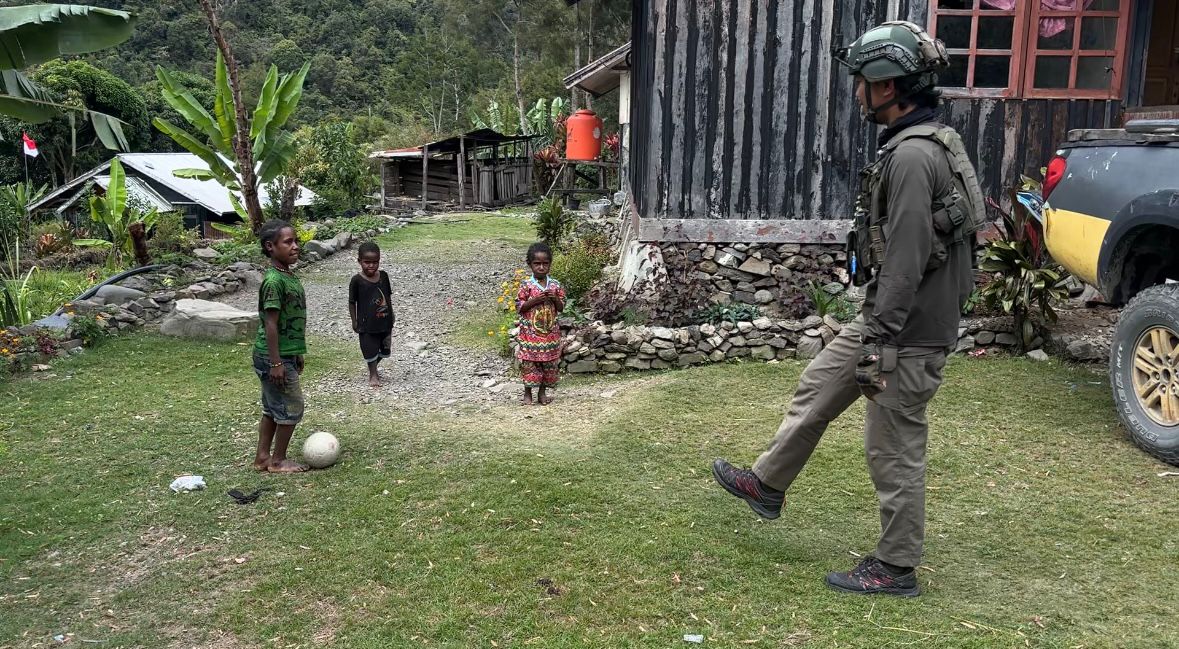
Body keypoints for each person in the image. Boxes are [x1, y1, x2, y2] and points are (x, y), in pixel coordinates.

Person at [711, 21, 985, 597]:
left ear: (887, 87)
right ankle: (767, 483)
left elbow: (908, 258)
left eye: (861, 81)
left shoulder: (912, 158)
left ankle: (896, 565)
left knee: (893, 446)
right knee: (821, 381)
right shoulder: (933, 140)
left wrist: (882, 343)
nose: (856, 91)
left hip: (906, 329)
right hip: (892, 317)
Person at [252, 219, 311, 474]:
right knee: (292, 406)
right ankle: (278, 460)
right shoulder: (274, 281)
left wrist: (295, 352)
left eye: (296, 241)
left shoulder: (287, 275)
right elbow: (271, 324)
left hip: (283, 354)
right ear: (270, 246)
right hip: (272, 357)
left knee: (272, 408)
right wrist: (277, 362)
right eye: (288, 242)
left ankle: (262, 458)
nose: (295, 246)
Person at [515, 242, 565, 405]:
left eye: (545, 263)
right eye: (537, 264)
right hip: (530, 336)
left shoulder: (555, 285)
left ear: (550, 264)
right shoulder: (526, 285)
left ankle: (542, 393)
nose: (541, 267)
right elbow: (520, 307)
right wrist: (535, 300)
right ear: (530, 265)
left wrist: (555, 298)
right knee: (530, 364)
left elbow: (561, 307)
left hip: (550, 335)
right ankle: (528, 393)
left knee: (548, 364)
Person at [349, 241, 395, 388]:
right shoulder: (356, 281)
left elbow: (387, 296)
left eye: (375, 262)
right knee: (369, 348)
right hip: (366, 323)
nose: (371, 266)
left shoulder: (384, 277)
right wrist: (354, 321)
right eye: (367, 262)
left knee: (385, 349)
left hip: (384, 321)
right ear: (359, 261)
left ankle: (374, 364)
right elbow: (352, 302)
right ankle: (373, 373)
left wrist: (392, 314)